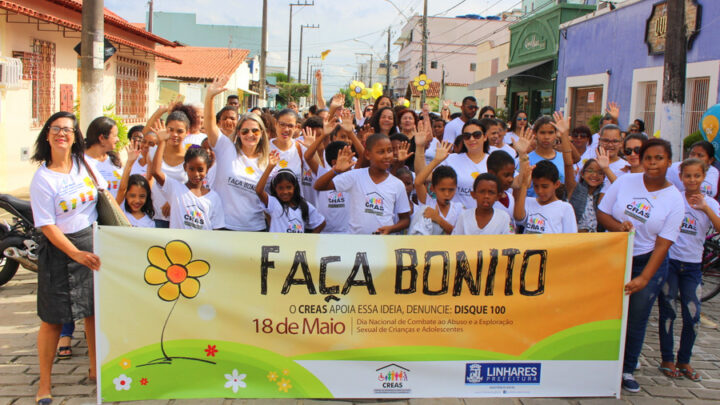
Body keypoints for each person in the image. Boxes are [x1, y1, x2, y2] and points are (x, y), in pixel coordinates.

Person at [597, 138, 684, 393]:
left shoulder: (674, 199)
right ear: (641, 160)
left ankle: (627, 368)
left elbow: (663, 244)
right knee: (608, 313)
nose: (653, 163)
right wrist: (618, 227)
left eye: (659, 158)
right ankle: (603, 364)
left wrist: (644, 278)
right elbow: (603, 212)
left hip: (649, 260)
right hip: (615, 256)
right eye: (648, 158)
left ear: (669, 161)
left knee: (636, 317)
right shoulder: (625, 181)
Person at [29, 111, 103, 404]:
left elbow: (102, 199)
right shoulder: (42, 179)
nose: (62, 134)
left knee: (93, 310)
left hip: (92, 242)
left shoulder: (83, 165)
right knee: (53, 320)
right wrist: (75, 253)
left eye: (68, 130)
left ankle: (96, 370)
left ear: (75, 138)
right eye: (56, 129)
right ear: (47, 135)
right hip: (59, 251)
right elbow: (47, 226)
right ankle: (44, 384)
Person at [658, 158, 720, 382]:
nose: (692, 180)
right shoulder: (673, 198)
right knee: (668, 311)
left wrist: (704, 208)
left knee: (692, 314)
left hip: (693, 266)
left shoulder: (711, 203)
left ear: (703, 177)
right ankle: (667, 358)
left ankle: (684, 359)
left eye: (697, 176)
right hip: (670, 261)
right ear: (681, 176)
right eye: (688, 176)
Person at [203, 79, 270, 232]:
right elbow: (209, 125)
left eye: (255, 131)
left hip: (256, 229)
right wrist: (210, 97)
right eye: (245, 131)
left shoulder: (268, 161)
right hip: (223, 226)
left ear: (262, 133)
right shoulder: (226, 148)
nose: (250, 135)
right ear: (238, 133)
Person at [314, 134, 411, 235]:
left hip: (382, 243)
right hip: (355, 241)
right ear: (368, 155)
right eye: (381, 152)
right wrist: (335, 170)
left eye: (389, 151)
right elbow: (318, 186)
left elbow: (405, 220)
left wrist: (391, 229)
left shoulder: (397, 184)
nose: (387, 156)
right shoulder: (355, 176)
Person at [150, 119, 225, 230]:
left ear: (207, 169)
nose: (196, 174)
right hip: (178, 246)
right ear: (185, 167)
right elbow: (155, 172)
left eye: (200, 169)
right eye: (191, 169)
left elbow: (217, 228)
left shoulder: (213, 197)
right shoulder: (175, 189)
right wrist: (162, 142)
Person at [256, 150, 326, 233]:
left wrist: (309, 240)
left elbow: (321, 223)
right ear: (275, 189)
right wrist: (270, 167)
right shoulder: (273, 203)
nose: (285, 192)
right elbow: (259, 191)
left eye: (289, 187)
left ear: (295, 187)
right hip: (278, 245)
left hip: (296, 246)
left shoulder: (304, 205)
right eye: (280, 188)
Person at [144, 108, 191, 228]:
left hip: (181, 216)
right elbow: (150, 177)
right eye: (170, 130)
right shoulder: (154, 151)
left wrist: (173, 202)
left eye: (180, 131)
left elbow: (193, 186)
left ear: (187, 132)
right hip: (157, 216)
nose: (174, 134)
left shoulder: (190, 157)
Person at [513, 159, 578, 234]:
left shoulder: (565, 208)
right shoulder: (528, 201)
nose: (540, 191)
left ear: (556, 184)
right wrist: (524, 184)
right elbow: (518, 217)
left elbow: (570, 237)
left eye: (545, 186)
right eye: (536, 186)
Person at [413, 141, 462, 234]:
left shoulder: (458, 208)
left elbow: (458, 234)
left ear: (456, 188)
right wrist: (436, 161)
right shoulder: (427, 203)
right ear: (432, 188)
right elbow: (418, 182)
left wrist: (438, 219)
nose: (447, 194)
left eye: (451, 190)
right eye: (442, 189)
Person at [526, 112, 574, 198]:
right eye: (542, 133)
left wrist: (564, 135)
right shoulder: (526, 159)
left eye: (551, 132)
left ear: (556, 134)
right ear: (535, 134)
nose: (546, 137)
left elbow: (570, 184)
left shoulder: (563, 158)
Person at [115, 142, 156, 228]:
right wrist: (130, 162)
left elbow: (150, 179)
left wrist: (150, 163)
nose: (137, 201)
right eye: (132, 195)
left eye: (142, 196)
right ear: (126, 195)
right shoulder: (121, 211)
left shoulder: (150, 221)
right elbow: (122, 189)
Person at [83, 116, 121, 197]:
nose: (118, 139)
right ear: (102, 138)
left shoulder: (114, 159)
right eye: (115, 136)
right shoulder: (81, 162)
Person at [566, 159, 606, 232]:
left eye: (600, 172)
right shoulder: (574, 188)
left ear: (604, 177)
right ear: (582, 173)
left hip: (597, 239)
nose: (594, 175)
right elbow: (568, 165)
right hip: (575, 239)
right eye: (590, 171)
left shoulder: (604, 194)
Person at [487, 150, 518, 223]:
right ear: (492, 173)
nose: (511, 179)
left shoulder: (510, 197)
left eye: (512, 175)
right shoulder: (485, 201)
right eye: (506, 175)